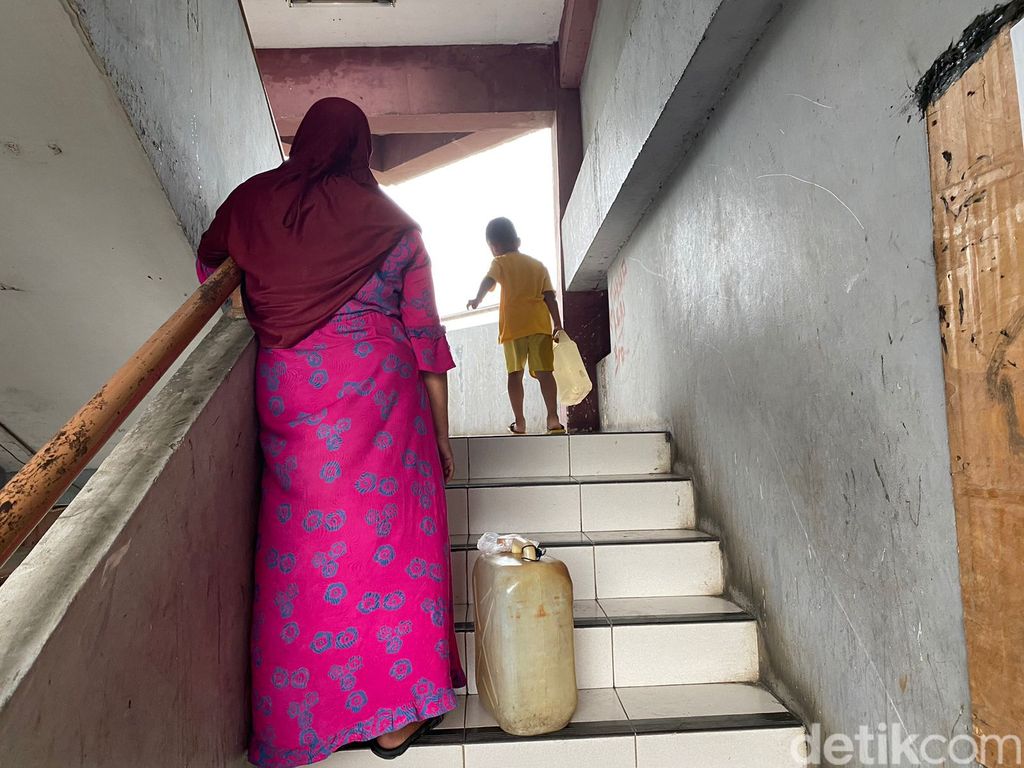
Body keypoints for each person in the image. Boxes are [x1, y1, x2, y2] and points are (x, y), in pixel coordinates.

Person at [196, 97, 465, 768]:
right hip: (381, 394)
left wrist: (250, 310)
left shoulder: (253, 203)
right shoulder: (394, 225)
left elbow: (210, 263)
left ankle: (306, 719)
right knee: (395, 546)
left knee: (301, 551)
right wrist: (441, 435)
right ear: (361, 148)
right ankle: (395, 721)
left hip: (288, 388)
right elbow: (426, 339)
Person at [466, 218, 565, 435]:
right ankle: (553, 419)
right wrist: (557, 324)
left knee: (514, 374)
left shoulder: (500, 262)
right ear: (518, 241)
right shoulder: (538, 266)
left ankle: (520, 423)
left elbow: (488, 281)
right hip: (539, 326)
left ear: (494, 246)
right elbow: (550, 297)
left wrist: (477, 299)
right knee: (546, 372)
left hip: (514, 328)